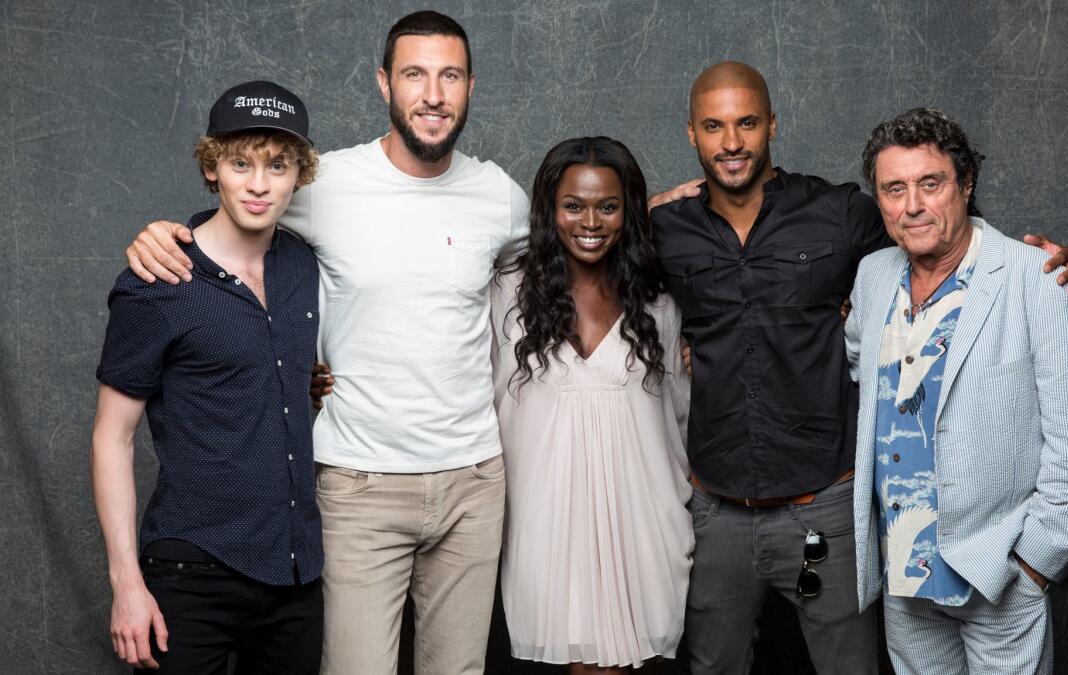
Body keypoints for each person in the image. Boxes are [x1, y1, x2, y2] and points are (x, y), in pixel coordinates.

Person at [119, 12, 530, 675]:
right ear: (383, 83)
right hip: (358, 485)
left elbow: (574, 250)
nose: (433, 93)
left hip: (473, 481)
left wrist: (669, 209)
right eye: (415, 74)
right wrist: (162, 234)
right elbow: (240, 209)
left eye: (449, 75)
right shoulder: (326, 183)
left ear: (470, 86)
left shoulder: (501, 197)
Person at [648, 62, 1068, 674]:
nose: (731, 142)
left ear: (772, 123)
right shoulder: (663, 229)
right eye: (714, 126)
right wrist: (643, 210)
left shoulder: (840, 213)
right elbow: (589, 258)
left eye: (747, 122)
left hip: (828, 507)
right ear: (690, 133)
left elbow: (946, 243)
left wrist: (1046, 267)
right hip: (718, 510)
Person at [844, 107, 1068, 674]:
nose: (912, 205)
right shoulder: (873, 276)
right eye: (894, 189)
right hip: (904, 575)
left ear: (965, 185)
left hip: (996, 574)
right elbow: (861, 366)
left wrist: (1033, 565)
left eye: (931, 183)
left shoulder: (1036, 278)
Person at [91, 80, 323, 673]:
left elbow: (276, 387)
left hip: (295, 573)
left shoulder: (303, 266)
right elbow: (111, 437)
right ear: (212, 166)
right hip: (192, 570)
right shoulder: (160, 277)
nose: (259, 183)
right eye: (240, 162)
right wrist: (126, 585)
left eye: (277, 165)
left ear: (299, 175)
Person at [490, 137, 692, 673]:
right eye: (573, 205)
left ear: (628, 212)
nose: (591, 221)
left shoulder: (657, 304)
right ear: (549, 210)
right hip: (546, 521)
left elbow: (680, 417)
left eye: (608, 206)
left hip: (640, 519)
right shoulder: (507, 297)